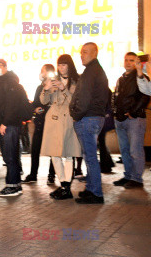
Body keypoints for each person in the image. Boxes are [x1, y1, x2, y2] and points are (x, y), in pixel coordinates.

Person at [69, 42, 109, 204]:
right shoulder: (95, 71)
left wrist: (76, 115)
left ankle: (96, 193)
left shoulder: (90, 72)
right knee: (89, 156)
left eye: (85, 52)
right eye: (81, 52)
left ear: (94, 53)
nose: (81, 55)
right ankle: (91, 188)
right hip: (93, 117)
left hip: (88, 118)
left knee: (90, 157)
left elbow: (83, 99)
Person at [40, 55, 82, 200]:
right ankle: (63, 185)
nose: (61, 68)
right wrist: (45, 89)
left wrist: (64, 89)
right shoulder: (53, 80)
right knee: (54, 154)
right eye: (59, 65)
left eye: (64, 65)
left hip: (68, 120)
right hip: (53, 120)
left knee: (69, 154)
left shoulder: (77, 81)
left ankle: (66, 186)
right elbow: (44, 101)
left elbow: (75, 101)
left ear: (69, 65)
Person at [0, 59, 27, 196]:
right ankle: (15, 184)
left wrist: (5, 123)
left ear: (5, 67)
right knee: (10, 156)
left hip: (9, 125)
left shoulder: (9, 82)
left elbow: (12, 105)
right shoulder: (0, 83)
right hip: (4, 125)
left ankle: (12, 186)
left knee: (10, 156)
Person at [112, 52, 149, 189]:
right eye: (126, 60)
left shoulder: (141, 76)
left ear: (136, 62)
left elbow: (146, 96)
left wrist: (133, 112)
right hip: (120, 119)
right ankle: (128, 176)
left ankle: (137, 179)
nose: (128, 63)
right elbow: (116, 97)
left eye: (131, 60)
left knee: (135, 150)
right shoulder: (121, 78)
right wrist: (115, 112)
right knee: (125, 151)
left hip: (135, 119)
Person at [22, 64, 56, 185]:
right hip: (40, 124)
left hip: (52, 125)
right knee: (35, 149)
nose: (41, 74)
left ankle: (52, 175)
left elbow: (51, 106)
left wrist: (41, 109)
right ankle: (33, 174)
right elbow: (36, 104)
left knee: (53, 151)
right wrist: (37, 109)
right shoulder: (39, 88)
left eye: (43, 71)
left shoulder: (56, 87)